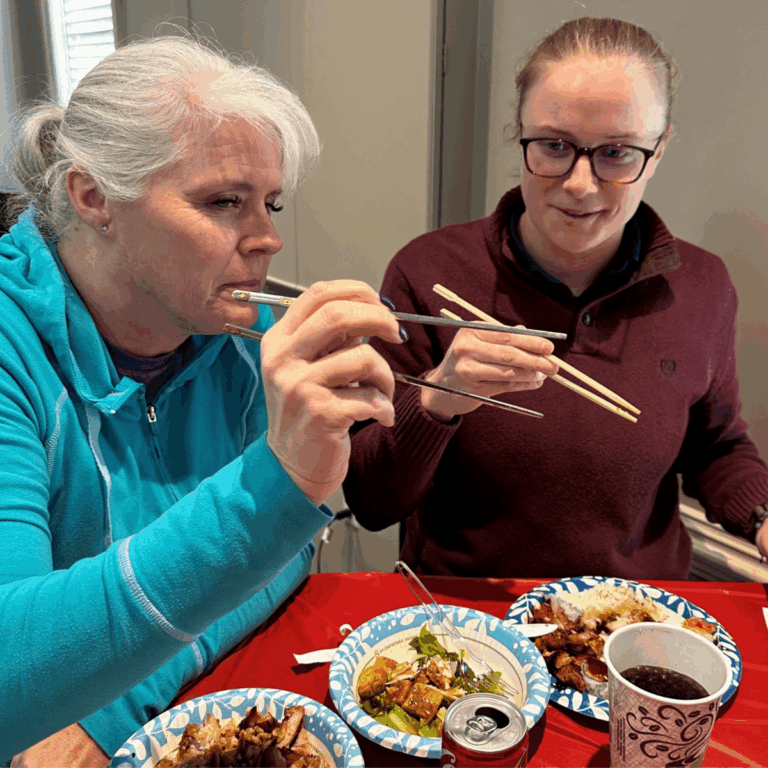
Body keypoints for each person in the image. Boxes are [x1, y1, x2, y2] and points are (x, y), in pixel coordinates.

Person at [0, 36, 402, 762]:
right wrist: (278, 486)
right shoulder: (12, 353)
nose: (269, 239)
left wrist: (103, 702)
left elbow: (284, 555)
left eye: (270, 204)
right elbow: (10, 669)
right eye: (224, 202)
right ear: (94, 197)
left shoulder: (247, 335)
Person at [345, 17, 768, 579]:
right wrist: (439, 398)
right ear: (519, 134)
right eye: (554, 146)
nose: (580, 184)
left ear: (659, 150)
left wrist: (762, 518)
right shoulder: (429, 273)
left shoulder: (701, 286)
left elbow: (717, 448)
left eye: (617, 152)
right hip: (466, 613)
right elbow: (371, 502)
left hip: (636, 612)